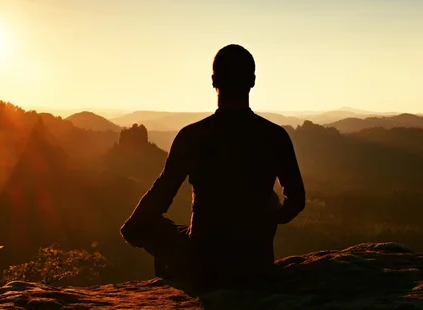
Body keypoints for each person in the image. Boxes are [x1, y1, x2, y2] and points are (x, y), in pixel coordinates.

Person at [120, 44, 306, 291]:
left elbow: (161, 194)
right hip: (255, 259)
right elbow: (297, 199)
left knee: (156, 230)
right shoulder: (275, 136)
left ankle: (178, 273)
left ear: (213, 81)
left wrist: (133, 228)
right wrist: (266, 217)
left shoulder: (192, 136)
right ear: (252, 81)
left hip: (204, 261)